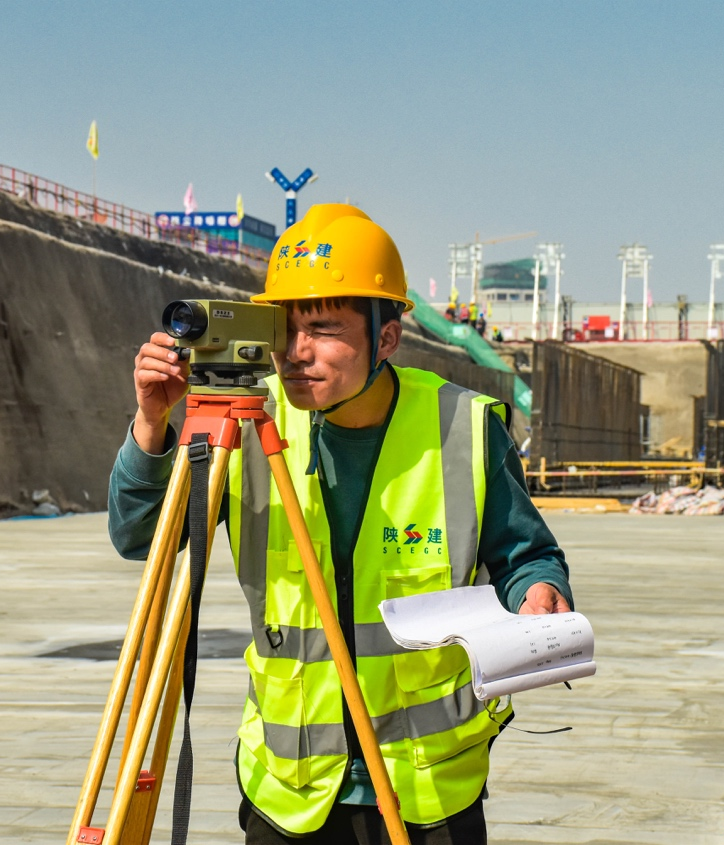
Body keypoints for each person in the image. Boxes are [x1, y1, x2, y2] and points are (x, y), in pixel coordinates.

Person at [107, 204, 573, 844]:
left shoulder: (463, 428)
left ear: (387, 338)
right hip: (290, 788)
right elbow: (140, 539)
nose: (297, 353)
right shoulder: (246, 423)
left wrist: (538, 590)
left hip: (429, 788)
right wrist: (152, 423)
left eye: (324, 330)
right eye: (287, 328)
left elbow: (527, 555)